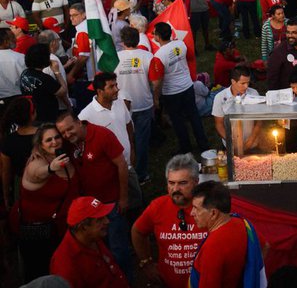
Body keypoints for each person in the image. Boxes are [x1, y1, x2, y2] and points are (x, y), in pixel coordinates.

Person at [56, 109, 133, 280]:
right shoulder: (70, 143)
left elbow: (121, 164)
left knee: (118, 248)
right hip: (90, 210)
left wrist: (123, 197)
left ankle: (126, 281)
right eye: (63, 132)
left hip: (111, 203)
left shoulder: (102, 135)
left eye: (70, 129)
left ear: (79, 122)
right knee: (101, 249)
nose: (67, 134)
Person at [131, 154, 208, 288]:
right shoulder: (157, 207)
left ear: (196, 182)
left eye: (183, 183)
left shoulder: (209, 206)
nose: (175, 189)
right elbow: (137, 232)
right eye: (171, 183)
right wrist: (146, 263)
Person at [16, 123, 78, 282]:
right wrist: (51, 168)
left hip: (63, 229)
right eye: (48, 140)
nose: (55, 142)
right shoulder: (36, 163)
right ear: (40, 145)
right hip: (39, 234)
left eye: (57, 137)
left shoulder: (63, 155)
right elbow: (37, 173)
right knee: (42, 274)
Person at [189, 180, 265, 287]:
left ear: (213, 213)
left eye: (196, 208)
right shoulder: (243, 224)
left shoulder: (212, 248)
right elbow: (264, 246)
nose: (192, 213)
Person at [150, 22, 209, 154]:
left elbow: (156, 82)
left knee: (178, 121)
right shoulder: (181, 44)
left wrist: (155, 98)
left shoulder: (159, 56)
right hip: (187, 86)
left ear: (158, 37)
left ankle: (186, 147)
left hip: (171, 93)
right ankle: (203, 144)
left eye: (154, 33)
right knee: (194, 116)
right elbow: (190, 58)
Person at [49, 196, 129, 288]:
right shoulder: (65, 265)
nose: (107, 221)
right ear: (83, 227)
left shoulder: (93, 237)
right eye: (99, 220)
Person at [115, 27, 155, 183]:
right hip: (143, 102)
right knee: (142, 140)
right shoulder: (148, 56)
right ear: (138, 40)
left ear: (122, 41)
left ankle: (130, 171)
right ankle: (141, 173)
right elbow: (154, 81)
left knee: (125, 139)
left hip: (123, 105)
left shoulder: (115, 58)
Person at [212, 67, 261, 152]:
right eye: (243, 83)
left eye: (248, 83)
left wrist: (251, 139)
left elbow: (259, 120)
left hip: (252, 144)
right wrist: (231, 141)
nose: (246, 86)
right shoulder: (220, 98)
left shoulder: (254, 94)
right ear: (233, 81)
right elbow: (219, 124)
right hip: (231, 145)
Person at [19, 42, 67, 123]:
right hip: (46, 117)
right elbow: (63, 91)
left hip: (32, 113)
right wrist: (57, 71)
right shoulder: (44, 78)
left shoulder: (25, 73)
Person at [266, 17, 297, 90]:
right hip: (287, 96)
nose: (290, 36)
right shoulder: (278, 52)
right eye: (288, 32)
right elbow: (272, 80)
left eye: (294, 33)